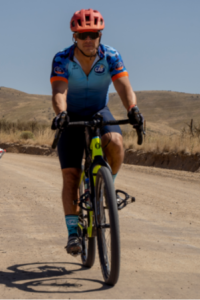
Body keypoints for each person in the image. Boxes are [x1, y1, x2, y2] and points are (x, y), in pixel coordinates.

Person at [50, 9, 143, 255]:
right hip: (70, 116)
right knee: (71, 175)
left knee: (116, 142)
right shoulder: (62, 59)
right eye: (82, 36)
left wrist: (132, 108)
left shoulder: (111, 55)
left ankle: (104, 187)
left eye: (93, 34)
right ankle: (73, 233)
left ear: (99, 35)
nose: (88, 39)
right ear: (74, 37)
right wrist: (61, 114)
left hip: (99, 111)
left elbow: (124, 87)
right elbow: (59, 91)